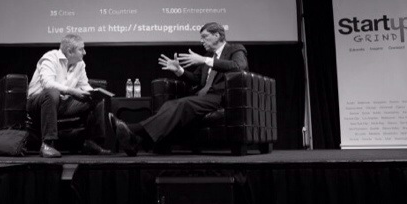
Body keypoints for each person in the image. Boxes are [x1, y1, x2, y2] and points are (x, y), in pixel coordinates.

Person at [110, 22, 248, 156]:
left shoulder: (235, 49)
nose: (202, 41)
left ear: (217, 35)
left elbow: (238, 66)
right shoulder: (207, 57)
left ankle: (134, 130)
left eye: (205, 37)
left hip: (223, 98)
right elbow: (196, 79)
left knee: (183, 104)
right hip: (204, 98)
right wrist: (179, 70)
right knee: (169, 105)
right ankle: (137, 141)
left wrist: (205, 61)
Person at [27, 34, 112, 158]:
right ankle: (47, 144)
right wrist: (72, 91)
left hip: (61, 103)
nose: (85, 52)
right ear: (70, 51)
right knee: (52, 92)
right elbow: (47, 84)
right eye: (81, 49)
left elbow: (84, 84)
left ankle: (91, 142)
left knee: (96, 99)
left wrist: (93, 93)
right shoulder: (50, 58)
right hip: (38, 102)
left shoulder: (80, 64)